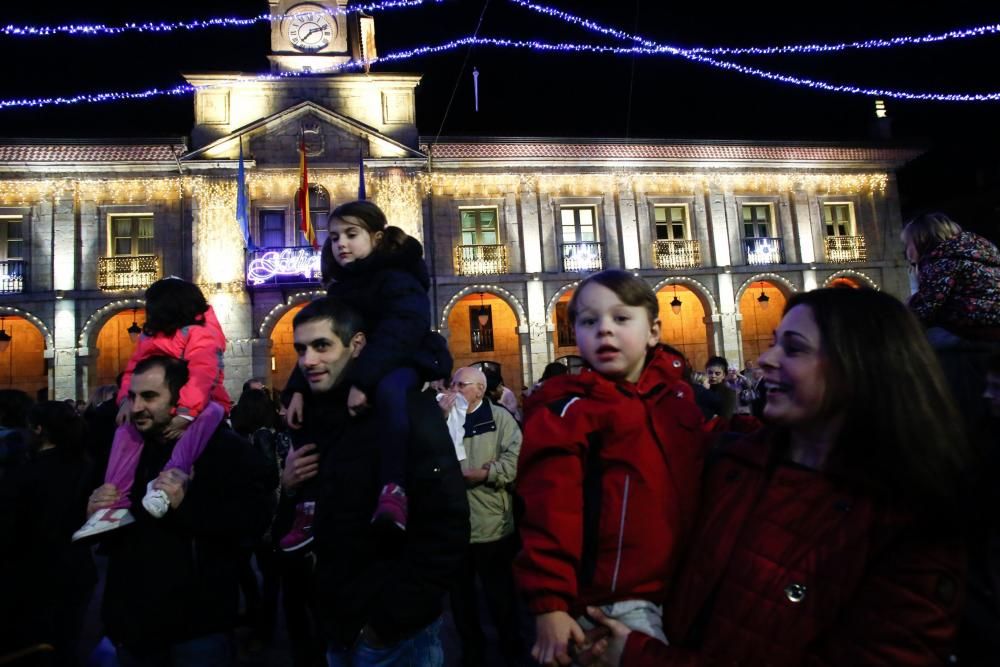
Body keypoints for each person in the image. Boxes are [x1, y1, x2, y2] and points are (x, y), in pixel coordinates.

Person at [583, 288, 970, 667]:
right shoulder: (733, 465)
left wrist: (638, 657)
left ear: (861, 365)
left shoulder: (909, 522)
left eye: (795, 348)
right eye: (773, 343)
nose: (766, 360)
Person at [514, 269, 706, 666]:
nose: (604, 330)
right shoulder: (570, 410)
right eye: (588, 321)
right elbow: (549, 510)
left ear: (653, 331)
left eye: (620, 318)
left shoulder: (678, 402)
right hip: (612, 602)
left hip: (685, 588)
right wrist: (550, 603)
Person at [280, 296, 468, 666]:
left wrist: (387, 623)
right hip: (337, 627)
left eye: (322, 346)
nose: (308, 361)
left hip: (394, 638)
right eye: (301, 349)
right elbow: (301, 522)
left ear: (357, 345)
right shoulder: (313, 419)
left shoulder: (407, 410)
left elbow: (447, 524)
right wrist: (288, 487)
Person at [281, 200, 451, 549]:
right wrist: (297, 388)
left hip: (405, 360)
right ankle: (309, 503)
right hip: (365, 366)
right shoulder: (342, 286)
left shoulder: (398, 276)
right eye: (333, 237)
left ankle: (394, 487)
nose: (340, 243)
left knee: (390, 395)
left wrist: (364, 380)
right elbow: (322, 336)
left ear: (376, 236)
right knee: (306, 414)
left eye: (351, 234)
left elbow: (401, 328)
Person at [85, 355, 272, 667]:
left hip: (195, 628)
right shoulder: (123, 448)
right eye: (132, 397)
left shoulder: (224, 448)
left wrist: (187, 506)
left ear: (180, 397)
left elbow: (252, 521)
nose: (136, 407)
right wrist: (94, 509)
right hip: (131, 625)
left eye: (150, 396)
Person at [73, 278, 231, 541]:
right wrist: (124, 399)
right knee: (126, 428)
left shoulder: (199, 332)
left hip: (206, 401)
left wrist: (185, 412)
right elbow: (135, 368)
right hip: (172, 403)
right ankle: (115, 501)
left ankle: (166, 484)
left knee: (207, 417)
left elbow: (203, 374)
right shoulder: (150, 336)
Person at [0, 401, 96, 666]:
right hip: (76, 566)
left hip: (34, 573)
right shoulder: (85, 464)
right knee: (68, 643)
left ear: (39, 430)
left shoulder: (24, 474)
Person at [441, 366, 524, 666]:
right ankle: (472, 652)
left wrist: (487, 473)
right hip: (455, 525)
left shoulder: (500, 419)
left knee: (499, 596)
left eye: (460, 385)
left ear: (479, 389)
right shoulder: (445, 418)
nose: (453, 389)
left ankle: (511, 649)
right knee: (461, 601)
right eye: (452, 383)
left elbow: (515, 461)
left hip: (492, 527)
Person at [902, 212, 1000, 346]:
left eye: (907, 244)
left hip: (974, 330)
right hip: (991, 322)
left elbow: (925, 308)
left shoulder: (942, 262)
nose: (906, 251)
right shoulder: (977, 255)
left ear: (922, 240)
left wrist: (907, 308)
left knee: (914, 342)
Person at [703, 356, 737, 421]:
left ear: (724, 375)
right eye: (710, 373)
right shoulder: (701, 389)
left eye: (717, 373)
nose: (713, 376)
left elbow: (725, 418)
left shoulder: (728, 392)